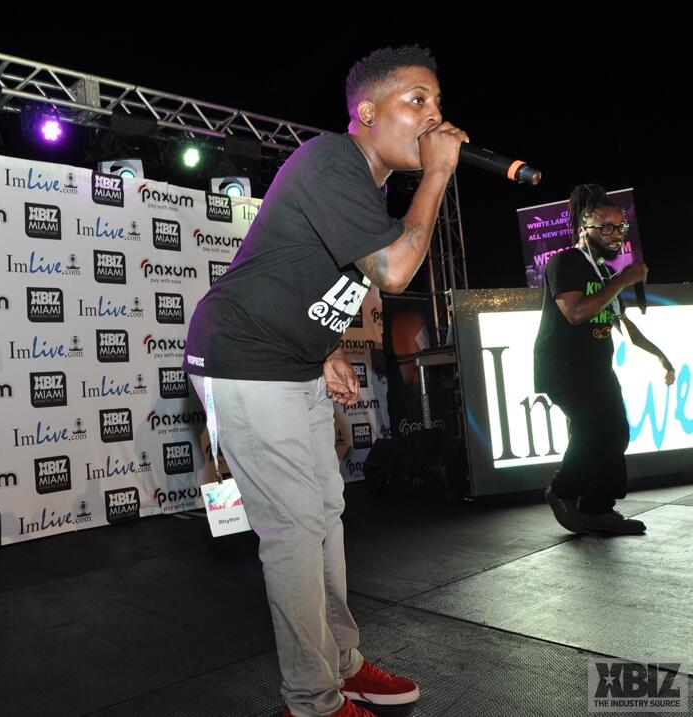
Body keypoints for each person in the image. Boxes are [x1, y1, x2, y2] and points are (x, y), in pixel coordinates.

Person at [184, 46, 467, 717]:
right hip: (242, 357)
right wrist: (438, 174)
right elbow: (393, 270)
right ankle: (311, 700)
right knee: (292, 529)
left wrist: (328, 348)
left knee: (325, 516)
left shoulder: (361, 184)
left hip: (292, 359)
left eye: (438, 103)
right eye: (417, 101)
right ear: (366, 112)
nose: (434, 117)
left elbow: (298, 270)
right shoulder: (331, 160)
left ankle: (341, 663)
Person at [535, 184, 675, 535]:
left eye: (621, 227)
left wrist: (661, 357)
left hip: (597, 370)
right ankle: (563, 492)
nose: (617, 234)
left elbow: (622, 324)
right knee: (592, 429)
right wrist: (625, 279)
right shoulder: (566, 262)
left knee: (617, 434)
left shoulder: (603, 274)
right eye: (607, 227)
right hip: (564, 368)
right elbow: (576, 313)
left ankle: (597, 508)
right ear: (584, 228)